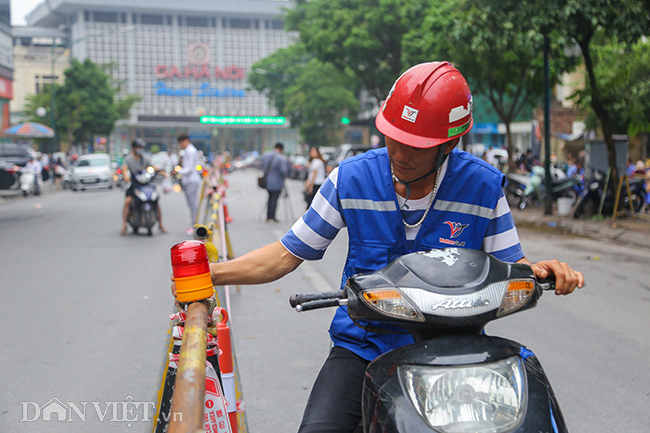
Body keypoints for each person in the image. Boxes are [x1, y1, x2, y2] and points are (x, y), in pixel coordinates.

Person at [171, 62, 584, 432]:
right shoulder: (350, 178)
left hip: (455, 354)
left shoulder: (483, 187)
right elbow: (285, 254)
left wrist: (545, 270)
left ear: (449, 144)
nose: (399, 153)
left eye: (416, 145)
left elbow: (512, 265)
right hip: (362, 346)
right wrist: (210, 275)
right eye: (392, 137)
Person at [121, 138, 167, 235]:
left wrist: (161, 171)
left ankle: (160, 224)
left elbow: (153, 167)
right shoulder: (129, 159)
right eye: (138, 147)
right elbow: (125, 169)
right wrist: (126, 176)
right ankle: (124, 225)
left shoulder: (145, 158)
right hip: (134, 184)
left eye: (142, 147)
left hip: (146, 184)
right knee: (127, 201)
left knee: (155, 200)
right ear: (134, 148)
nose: (140, 149)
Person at [174, 133, 201, 234]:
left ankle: (194, 226)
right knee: (191, 204)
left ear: (185, 140)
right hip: (188, 180)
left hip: (191, 180)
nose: (181, 145)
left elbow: (189, 168)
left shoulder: (190, 151)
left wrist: (178, 171)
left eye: (181, 143)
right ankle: (193, 224)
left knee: (193, 204)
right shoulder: (187, 151)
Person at [261, 142, 289, 222]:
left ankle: (268, 215)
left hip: (266, 181)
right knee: (274, 198)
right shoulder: (281, 158)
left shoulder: (265, 155)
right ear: (281, 149)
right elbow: (283, 171)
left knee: (270, 197)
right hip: (276, 181)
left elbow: (261, 166)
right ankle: (271, 216)